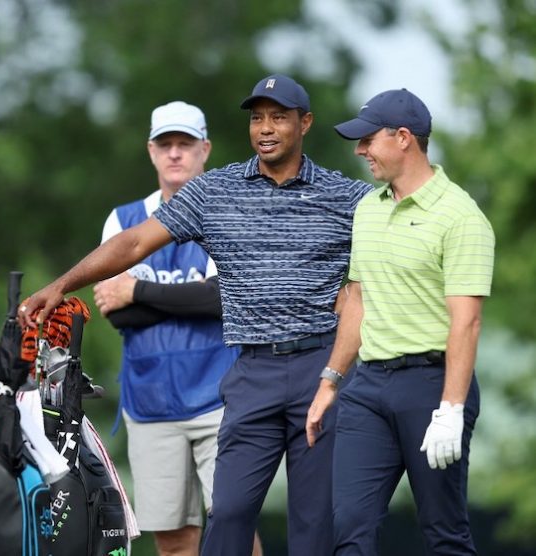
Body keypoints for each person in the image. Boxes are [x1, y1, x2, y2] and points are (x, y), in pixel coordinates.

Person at [20, 74, 372, 556]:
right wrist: (61, 285)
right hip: (251, 372)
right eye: (257, 118)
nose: (265, 128)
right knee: (227, 512)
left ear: (304, 123)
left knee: (312, 522)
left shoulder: (344, 197)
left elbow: (397, 236)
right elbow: (135, 242)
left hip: (318, 367)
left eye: (279, 118)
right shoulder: (215, 192)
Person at [305, 89, 495, 555]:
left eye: (368, 140)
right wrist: (331, 381)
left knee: (443, 532)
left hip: (432, 387)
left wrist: (450, 409)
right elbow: (358, 300)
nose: (360, 150)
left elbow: (466, 323)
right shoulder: (369, 208)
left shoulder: (460, 216)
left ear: (403, 138)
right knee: (349, 526)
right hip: (368, 389)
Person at [93, 101, 261, 556]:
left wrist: (140, 292)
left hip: (219, 400)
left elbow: (224, 300)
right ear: (151, 151)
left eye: (184, 144)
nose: (174, 154)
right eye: (165, 144)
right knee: (172, 544)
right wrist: (190, 301)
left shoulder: (226, 214)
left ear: (204, 149)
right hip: (150, 405)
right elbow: (115, 309)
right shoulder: (123, 220)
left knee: (235, 531)